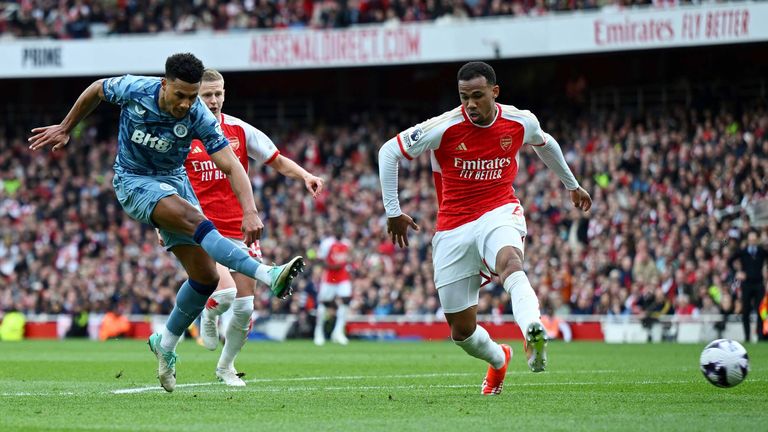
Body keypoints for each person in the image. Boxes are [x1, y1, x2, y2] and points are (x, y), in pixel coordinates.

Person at [28, 53, 305, 392]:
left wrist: (250, 209)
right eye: (181, 95)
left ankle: (165, 344)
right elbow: (97, 88)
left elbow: (232, 165)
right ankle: (267, 273)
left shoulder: (199, 115)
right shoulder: (135, 89)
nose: (187, 103)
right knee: (195, 219)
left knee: (204, 279)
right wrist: (66, 127)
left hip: (174, 182)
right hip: (133, 180)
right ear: (164, 85)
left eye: (193, 96)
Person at [378, 61, 592, 395]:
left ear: (495, 92)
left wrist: (572, 184)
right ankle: (499, 359)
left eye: (478, 96)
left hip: (499, 211)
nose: (471, 104)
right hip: (453, 227)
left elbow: (545, 144)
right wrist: (393, 211)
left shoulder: (520, 120)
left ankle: (532, 328)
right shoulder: (444, 126)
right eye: (464, 97)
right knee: (461, 331)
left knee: (510, 262)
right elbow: (389, 151)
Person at [188, 69, 324, 386]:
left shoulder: (239, 130)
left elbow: (275, 159)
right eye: (207, 95)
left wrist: (305, 175)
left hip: (240, 229)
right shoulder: (183, 133)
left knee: (245, 307)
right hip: (202, 229)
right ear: (195, 97)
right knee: (225, 295)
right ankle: (207, 314)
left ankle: (225, 367)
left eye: (218, 93)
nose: (214, 100)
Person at [314, 224, 352, 346]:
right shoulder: (327, 243)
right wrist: (332, 266)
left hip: (343, 277)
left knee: (346, 300)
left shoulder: (347, 243)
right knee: (324, 303)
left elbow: (348, 258)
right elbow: (320, 259)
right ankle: (318, 332)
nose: (339, 232)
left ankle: (338, 332)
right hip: (330, 277)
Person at [729, 231, 767, 342]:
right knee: (746, 311)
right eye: (751, 240)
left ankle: (760, 336)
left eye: (754, 240)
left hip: (759, 284)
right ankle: (747, 337)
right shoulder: (743, 252)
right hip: (747, 285)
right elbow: (730, 261)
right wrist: (737, 272)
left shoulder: (761, 252)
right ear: (748, 240)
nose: (752, 242)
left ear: (757, 240)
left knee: (761, 310)